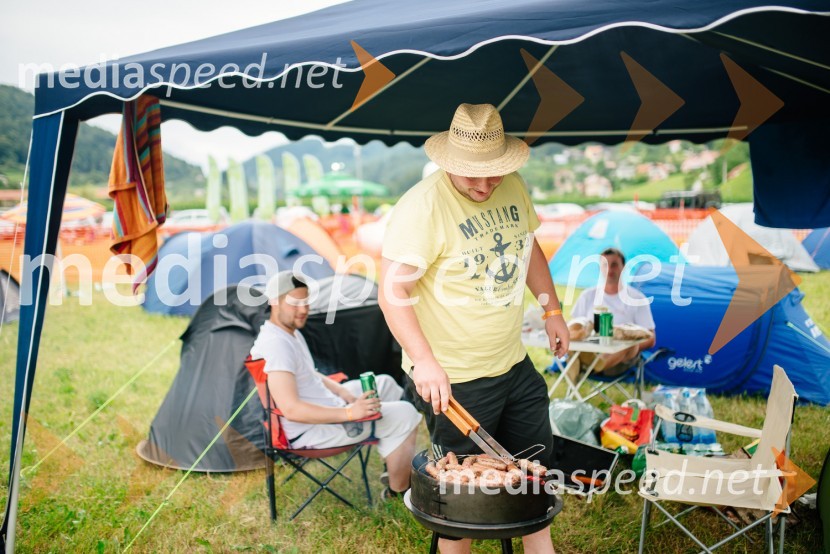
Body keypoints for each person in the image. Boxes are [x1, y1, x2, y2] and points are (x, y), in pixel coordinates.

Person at [380, 103, 568, 554]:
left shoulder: (513, 185)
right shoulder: (423, 207)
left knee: (533, 481)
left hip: (514, 365)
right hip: (455, 379)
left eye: (493, 174)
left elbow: (528, 248)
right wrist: (424, 361)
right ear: (449, 162)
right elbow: (392, 292)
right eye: (472, 176)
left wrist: (552, 311)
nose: (484, 186)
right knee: (460, 502)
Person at [250, 270, 422, 498]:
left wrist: (342, 392)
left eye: (306, 302)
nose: (303, 310)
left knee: (385, 384)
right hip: (311, 431)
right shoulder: (276, 346)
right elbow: (291, 410)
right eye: (295, 303)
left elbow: (308, 373)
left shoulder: (286, 332)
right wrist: (350, 413)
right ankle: (397, 492)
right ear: (274, 301)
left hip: (326, 404)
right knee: (405, 414)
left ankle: (393, 460)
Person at [569, 248, 656, 375]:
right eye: (605, 265)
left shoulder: (637, 298)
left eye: (614, 264)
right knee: (574, 335)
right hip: (590, 349)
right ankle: (588, 363)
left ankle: (593, 367)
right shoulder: (587, 295)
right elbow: (573, 328)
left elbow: (651, 338)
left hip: (620, 359)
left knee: (629, 344)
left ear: (623, 267)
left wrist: (624, 344)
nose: (610, 269)